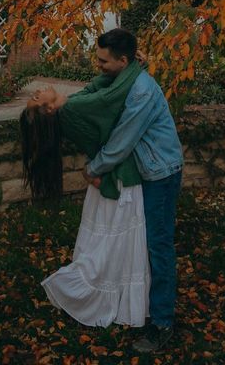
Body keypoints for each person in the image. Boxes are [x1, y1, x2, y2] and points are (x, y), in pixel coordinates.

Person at [20, 56, 151, 328]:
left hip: (106, 181)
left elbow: (96, 88)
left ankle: (101, 293)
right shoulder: (74, 110)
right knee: (116, 246)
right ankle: (89, 292)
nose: (39, 89)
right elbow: (112, 96)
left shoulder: (69, 108)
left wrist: (125, 67)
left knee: (107, 244)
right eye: (36, 96)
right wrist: (134, 69)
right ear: (47, 110)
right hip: (120, 181)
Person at [84, 29, 183, 353]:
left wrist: (93, 168)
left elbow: (122, 142)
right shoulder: (131, 77)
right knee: (153, 243)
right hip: (153, 169)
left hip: (161, 173)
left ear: (123, 60)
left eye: (103, 60)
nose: (98, 65)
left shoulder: (140, 90)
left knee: (159, 245)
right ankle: (145, 308)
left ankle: (163, 324)